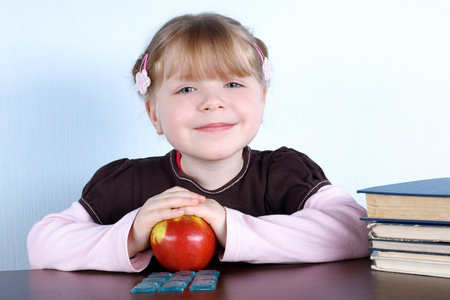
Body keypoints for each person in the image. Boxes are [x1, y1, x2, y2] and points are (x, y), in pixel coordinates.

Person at [27, 12, 371, 272]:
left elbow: (357, 230)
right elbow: (42, 245)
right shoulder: (127, 182)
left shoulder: (286, 172)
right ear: (154, 115)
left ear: (262, 102)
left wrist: (228, 225)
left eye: (233, 84)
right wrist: (132, 233)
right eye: (187, 89)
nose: (212, 102)